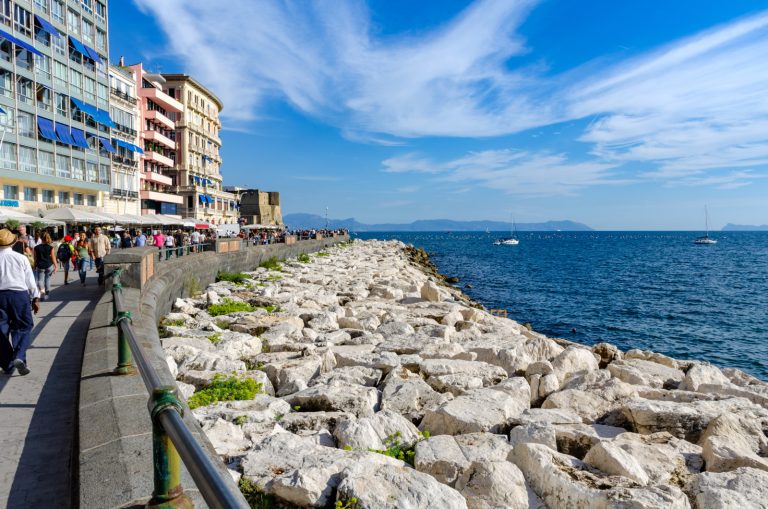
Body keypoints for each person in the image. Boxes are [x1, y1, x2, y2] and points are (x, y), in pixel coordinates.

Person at [0, 228, 40, 376]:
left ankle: (7, 364)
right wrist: (35, 297)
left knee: (1, 331)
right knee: (23, 326)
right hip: (19, 295)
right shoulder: (20, 258)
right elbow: (30, 280)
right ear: (14, 241)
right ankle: (19, 356)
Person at [33, 232, 57, 301]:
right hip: (49, 265)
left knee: (40, 280)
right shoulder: (50, 247)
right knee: (48, 279)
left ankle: (42, 292)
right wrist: (56, 266)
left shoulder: (36, 248)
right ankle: (47, 294)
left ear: (41, 238)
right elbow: (53, 257)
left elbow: (35, 258)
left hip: (40, 266)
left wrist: (34, 266)